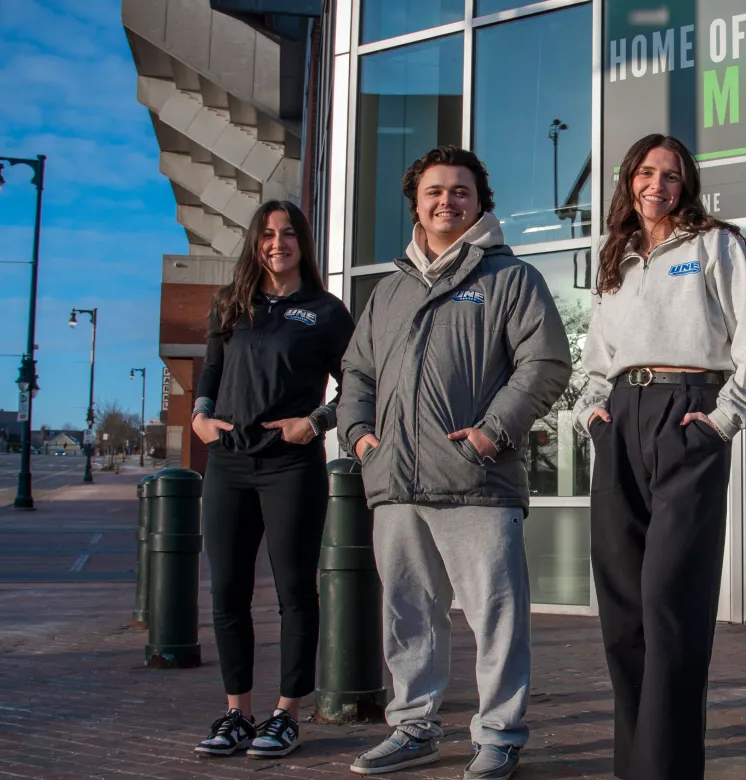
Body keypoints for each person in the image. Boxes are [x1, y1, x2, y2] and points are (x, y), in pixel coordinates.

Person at [339, 146, 571, 780]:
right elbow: (356, 371)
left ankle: (499, 733)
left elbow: (546, 363)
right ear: (416, 202)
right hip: (396, 483)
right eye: (435, 191)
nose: (447, 200)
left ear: (479, 203)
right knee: (409, 616)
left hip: (477, 480)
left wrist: (492, 434)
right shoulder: (387, 292)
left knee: (496, 617)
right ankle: (413, 727)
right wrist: (361, 436)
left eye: (460, 191)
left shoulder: (510, 278)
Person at [575, 134, 746, 780]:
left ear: (685, 184)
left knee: (670, 606)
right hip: (621, 420)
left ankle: (665, 771)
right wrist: (591, 413)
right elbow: (596, 360)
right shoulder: (618, 257)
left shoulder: (715, 244)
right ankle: (633, 766)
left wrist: (723, 420)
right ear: (629, 181)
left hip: (686, 416)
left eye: (670, 175)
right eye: (646, 172)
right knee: (623, 612)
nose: (657, 184)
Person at [189, 200, 356, 759]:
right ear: (255, 243)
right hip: (228, 464)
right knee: (227, 592)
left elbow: (357, 386)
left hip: (290, 467)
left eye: (287, 234)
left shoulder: (326, 312)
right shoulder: (231, 304)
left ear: (302, 243)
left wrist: (316, 423)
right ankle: (237, 711)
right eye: (266, 234)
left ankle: (286, 714)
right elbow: (210, 369)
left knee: (293, 592)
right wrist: (199, 416)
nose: (276, 242)